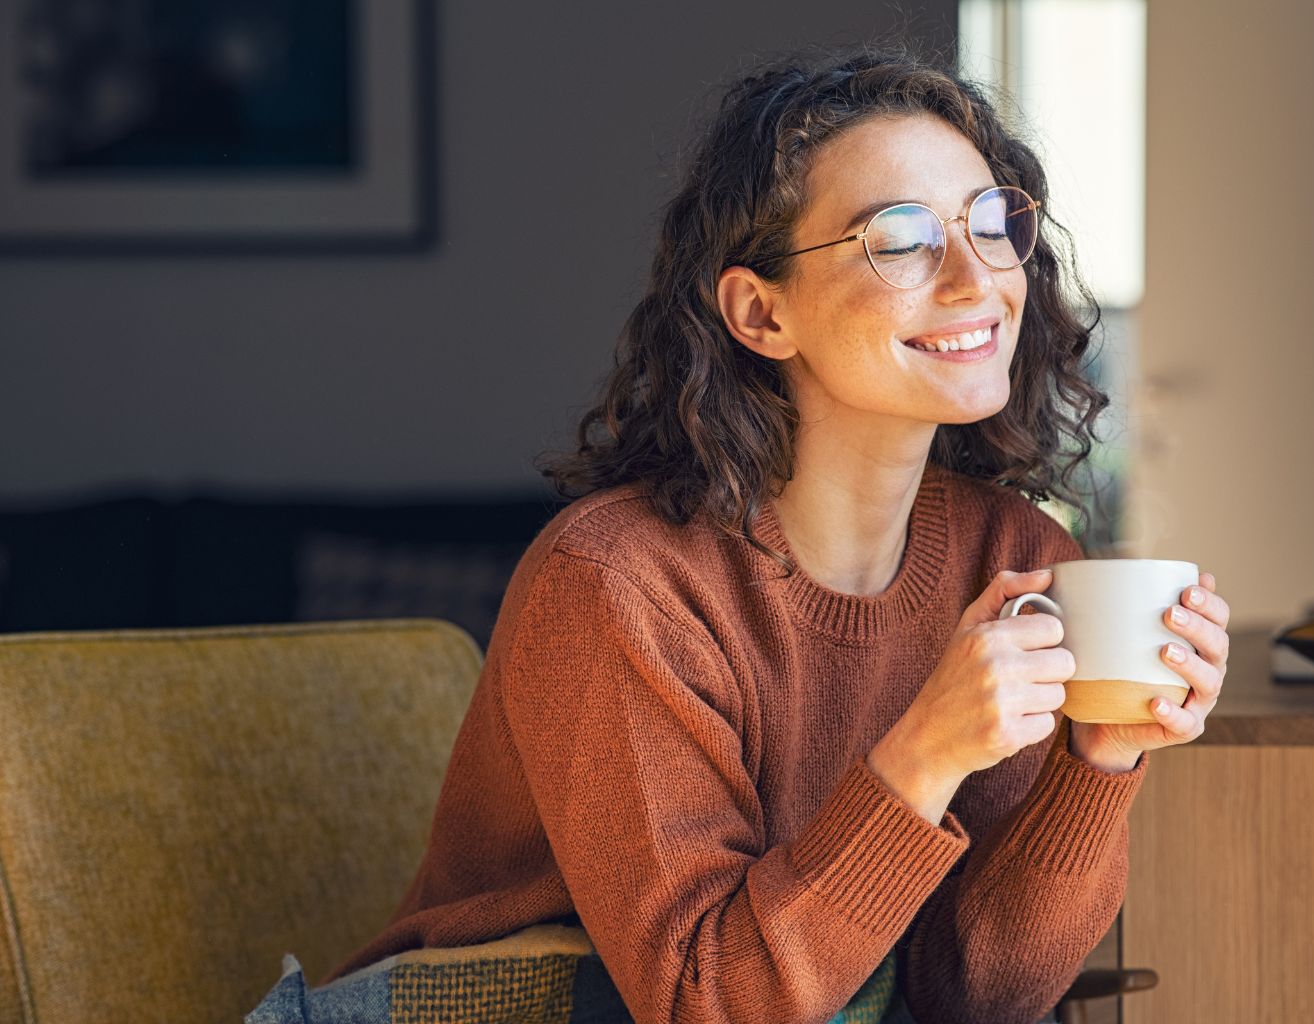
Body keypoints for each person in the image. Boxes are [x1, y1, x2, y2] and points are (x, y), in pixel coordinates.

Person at [326, 45, 1232, 1023]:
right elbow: (700, 1002)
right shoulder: (614, 583)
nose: (978, 278)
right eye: (902, 240)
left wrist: (1097, 760)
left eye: (991, 223)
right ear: (762, 313)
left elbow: (968, 997)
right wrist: (923, 753)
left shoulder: (1013, 561)